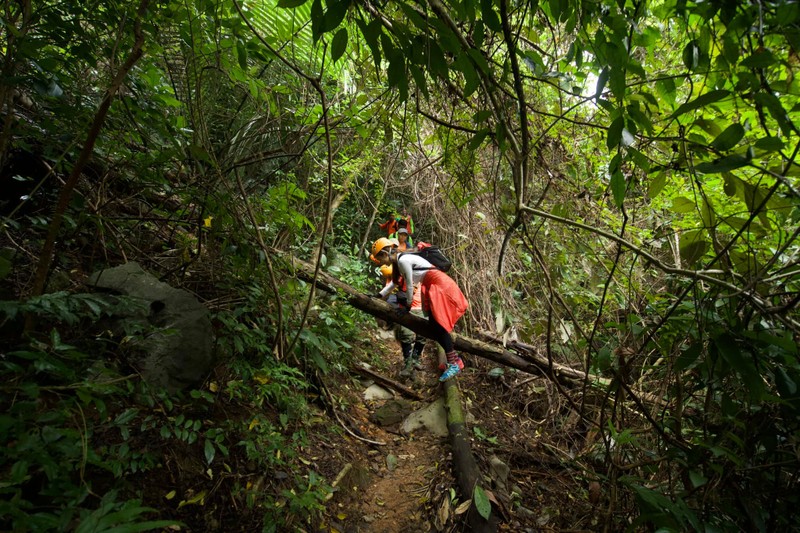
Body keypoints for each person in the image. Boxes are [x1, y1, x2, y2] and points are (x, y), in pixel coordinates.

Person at [370, 237, 467, 382]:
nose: (381, 263)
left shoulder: (403, 260)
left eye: (380, 259)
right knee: (435, 326)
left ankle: (454, 363)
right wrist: (378, 296)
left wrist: (407, 307)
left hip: (439, 284)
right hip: (433, 284)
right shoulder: (399, 261)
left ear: (385, 253)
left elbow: (409, 285)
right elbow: (394, 284)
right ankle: (455, 360)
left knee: (439, 326)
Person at [378, 263, 425, 378]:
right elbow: (392, 287)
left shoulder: (423, 274)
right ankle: (408, 364)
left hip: (422, 307)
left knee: (422, 337)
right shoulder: (401, 274)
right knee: (406, 336)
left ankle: (415, 360)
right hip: (406, 309)